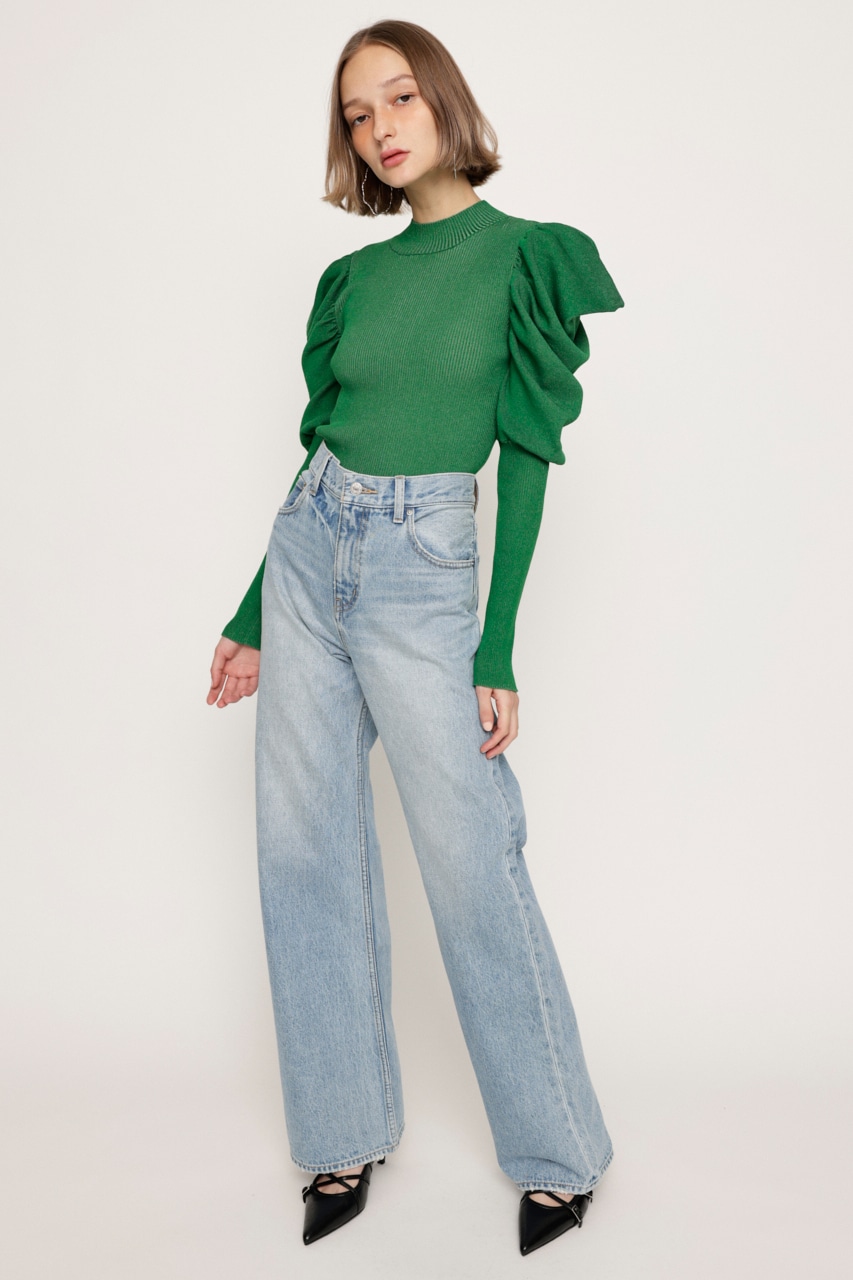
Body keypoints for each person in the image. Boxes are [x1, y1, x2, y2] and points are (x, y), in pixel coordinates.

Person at [206, 19, 624, 1257]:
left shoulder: (524, 259)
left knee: (470, 856)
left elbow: (527, 458)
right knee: (304, 851)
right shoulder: (354, 281)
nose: (381, 127)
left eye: (398, 97)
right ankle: (341, 1133)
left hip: (425, 565)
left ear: (444, 101)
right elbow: (318, 457)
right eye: (356, 113)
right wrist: (252, 615)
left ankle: (558, 1152)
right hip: (308, 555)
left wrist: (496, 646)